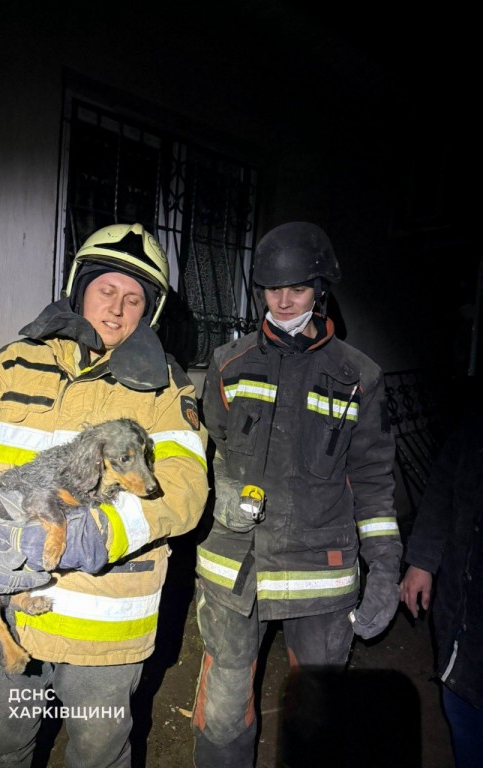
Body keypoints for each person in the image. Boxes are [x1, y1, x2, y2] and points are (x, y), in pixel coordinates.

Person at [0, 222, 209, 768]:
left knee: (98, 756)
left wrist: (98, 532)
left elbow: (185, 486)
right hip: (4, 612)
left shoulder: (166, 390)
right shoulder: (15, 362)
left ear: (150, 312)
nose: (116, 309)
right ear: (79, 289)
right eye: (106, 290)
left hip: (103, 630)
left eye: (134, 299)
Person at [191, 221, 403, 766]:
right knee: (223, 711)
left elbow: (374, 481)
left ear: (320, 290)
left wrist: (385, 568)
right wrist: (221, 491)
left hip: (319, 575)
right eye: (272, 289)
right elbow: (205, 456)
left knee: (317, 717)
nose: (283, 301)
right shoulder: (228, 364)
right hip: (236, 571)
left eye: (298, 289)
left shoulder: (358, 377)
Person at [399, 413, 483, 768]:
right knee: (461, 709)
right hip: (463, 607)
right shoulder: (473, 428)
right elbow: (443, 485)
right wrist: (421, 560)